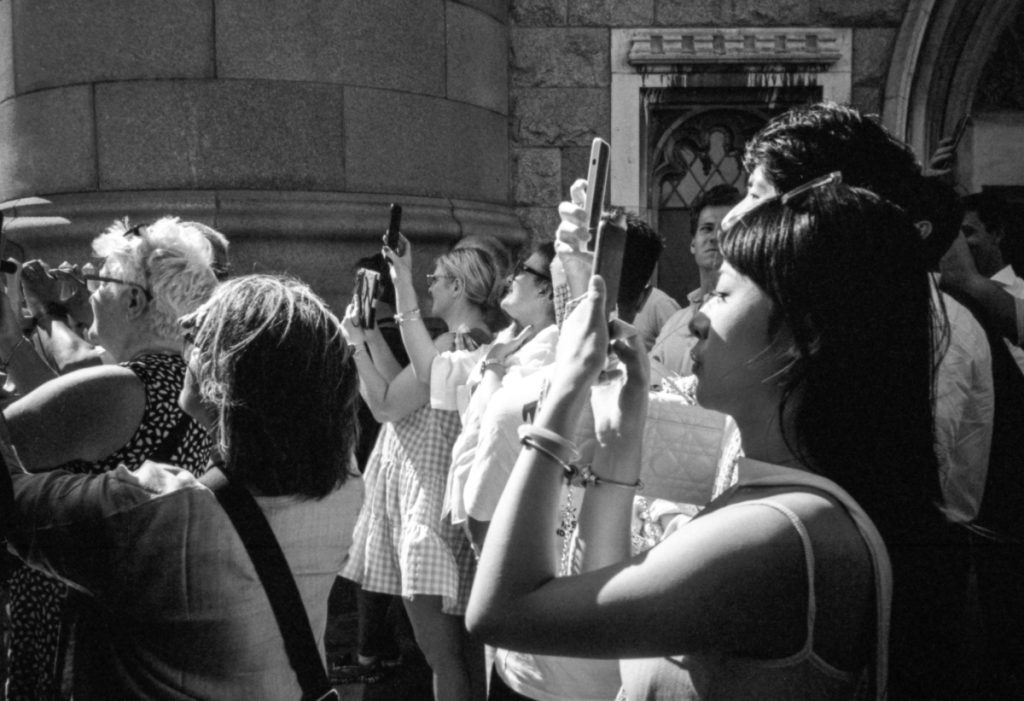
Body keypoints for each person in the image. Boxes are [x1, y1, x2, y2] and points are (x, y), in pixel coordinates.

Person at [468, 180, 942, 700]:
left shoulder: (778, 536)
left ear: (802, 334)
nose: (696, 319)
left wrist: (564, 391)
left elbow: (501, 610)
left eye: (721, 293)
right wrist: (619, 439)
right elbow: (608, 611)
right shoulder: (776, 503)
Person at [2, 273, 362, 698]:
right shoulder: (344, 489)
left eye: (201, 331)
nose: (186, 329)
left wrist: (10, 344)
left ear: (232, 376)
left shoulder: (156, 510)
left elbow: (10, 499)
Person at [0, 217, 218, 700]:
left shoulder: (124, 388)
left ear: (136, 300)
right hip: (144, 624)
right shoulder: (187, 388)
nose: (90, 293)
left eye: (100, 281)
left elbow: (9, 447)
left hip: (74, 630)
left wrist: (10, 334)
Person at [341, 235, 507, 701]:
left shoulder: (459, 344)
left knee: (444, 657)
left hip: (428, 510)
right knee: (463, 655)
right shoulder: (457, 342)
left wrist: (356, 346)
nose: (431, 284)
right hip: (438, 506)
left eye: (436, 278)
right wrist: (371, 335)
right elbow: (406, 387)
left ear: (458, 287)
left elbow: (386, 406)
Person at [447, 242, 559, 554]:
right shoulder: (516, 337)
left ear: (547, 291)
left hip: (501, 509)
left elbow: (494, 416)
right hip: (480, 497)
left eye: (523, 270)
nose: (510, 278)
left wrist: (495, 362)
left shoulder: (549, 345)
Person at [650, 185, 742, 376]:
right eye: (707, 229)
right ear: (693, 243)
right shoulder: (675, 323)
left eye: (726, 229)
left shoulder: (747, 318)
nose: (714, 237)